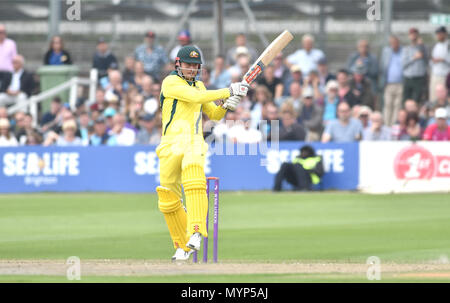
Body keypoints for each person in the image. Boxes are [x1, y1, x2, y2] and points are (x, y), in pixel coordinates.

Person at [155, 45, 248, 262]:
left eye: (195, 66)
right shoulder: (170, 82)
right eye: (188, 64)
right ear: (178, 64)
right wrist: (229, 91)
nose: (192, 69)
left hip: (193, 140)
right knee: (167, 198)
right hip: (170, 143)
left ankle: (196, 230)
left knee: (194, 173)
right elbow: (195, 98)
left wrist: (227, 105)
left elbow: (214, 115)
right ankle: (181, 245)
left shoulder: (200, 85)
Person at [380, 35, 404, 126]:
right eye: (391, 43)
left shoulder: (403, 51)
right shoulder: (386, 52)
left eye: (395, 42)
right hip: (389, 83)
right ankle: (386, 125)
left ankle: (394, 125)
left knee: (397, 105)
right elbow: (383, 66)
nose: (393, 45)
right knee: (388, 105)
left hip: (400, 83)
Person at [402, 28, 427, 103]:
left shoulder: (423, 48)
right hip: (408, 78)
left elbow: (427, 60)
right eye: (412, 34)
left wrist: (421, 46)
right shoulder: (406, 49)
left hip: (419, 78)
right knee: (406, 100)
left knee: (417, 100)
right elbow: (403, 64)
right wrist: (414, 58)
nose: (413, 36)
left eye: (415, 34)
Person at [429, 26, 450, 102]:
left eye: (441, 34)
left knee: (444, 97)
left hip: (445, 75)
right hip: (435, 74)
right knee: (433, 97)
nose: (439, 36)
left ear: (445, 34)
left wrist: (443, 59)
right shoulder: (435, 45)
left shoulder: (448, 45)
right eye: (438, 34)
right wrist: (433, 61)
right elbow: (431, 61)